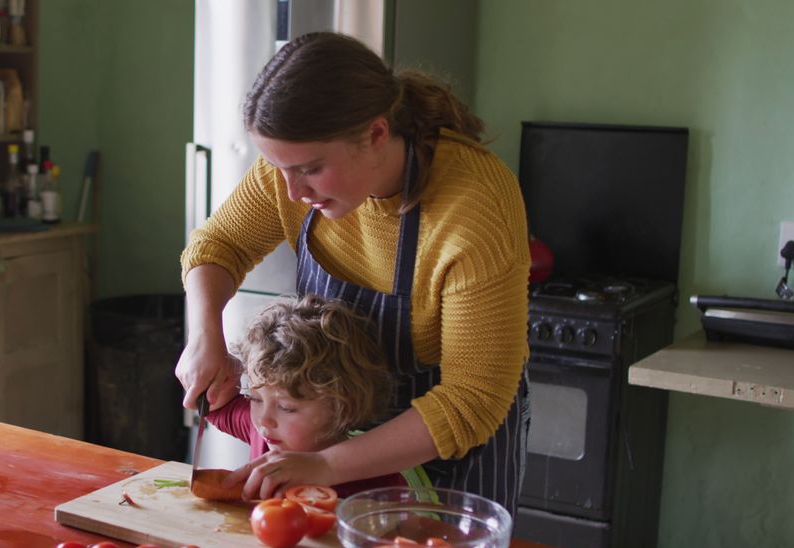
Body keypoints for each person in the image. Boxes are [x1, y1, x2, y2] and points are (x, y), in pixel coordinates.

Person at [177, 31, 531, 516]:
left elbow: (472, 398)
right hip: (326, 439)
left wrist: (325, 465)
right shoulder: (290, 174)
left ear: (376, 135)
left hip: (447, 444)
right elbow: (218, 245)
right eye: (277, 167)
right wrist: (203, 335)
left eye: (311, 169)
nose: (292, 190)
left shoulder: (474, 205)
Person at [204, 294, 425, 498]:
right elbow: (217, 409)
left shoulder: (378, 479)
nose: (263, 420)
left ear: (342, 407)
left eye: (287, 407)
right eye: (255, 398)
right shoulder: (263, 433)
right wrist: (210, 379)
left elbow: (403, 533)